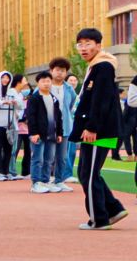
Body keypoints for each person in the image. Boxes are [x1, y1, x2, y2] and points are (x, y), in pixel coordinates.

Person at [72, 28, 128, 230]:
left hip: (99, 130)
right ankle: (113, 209)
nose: (83, 48)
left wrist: (92, 127)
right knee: (85, 172)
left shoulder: (103, 66)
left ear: (98, 45)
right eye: (80, 44)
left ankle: (99, 219)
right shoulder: (95, 66)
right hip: (96, 129)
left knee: (89, 174)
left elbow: (101, 100)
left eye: (88, 44)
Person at [26, 72, 66, 193]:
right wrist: (33, 133)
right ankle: (36, 183)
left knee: (49, 160)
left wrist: (59, 133)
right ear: (38, 83)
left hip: (52, 134)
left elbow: (58, 117)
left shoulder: (54, 99)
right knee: (38, 159)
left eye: (48, 81)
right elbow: (31, 117)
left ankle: (45, 181)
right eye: (43, 81)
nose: (46, 83)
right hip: (38, 134)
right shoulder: (34, 98)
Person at [49, 57, 81, 186]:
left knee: (62, 156)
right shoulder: (45, 85)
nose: (60, 73)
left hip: (65, 126)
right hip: (48, 126)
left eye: (63, 71)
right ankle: (44, 179)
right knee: (48, 155)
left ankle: (59, 180)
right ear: (51, 71)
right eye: (57, 70)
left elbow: (71, 104)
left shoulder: (69, 88)